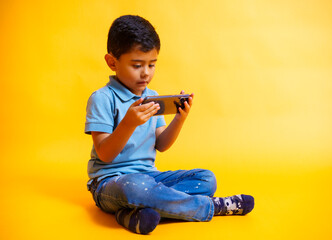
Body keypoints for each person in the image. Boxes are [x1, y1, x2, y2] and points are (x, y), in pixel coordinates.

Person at [85, 15, 254, 234]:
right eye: (137, 65)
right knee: (136, 188)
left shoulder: (152, 97)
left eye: (151, 64)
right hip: (110, 184)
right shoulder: (102, 99)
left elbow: (162, 144)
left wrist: (179, 119)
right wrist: (128, 123)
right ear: (112, 62)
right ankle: (211, 206)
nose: (146, 72)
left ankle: (130, 214)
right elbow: (105, 154)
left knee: (206, 179)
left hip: (150, 178)